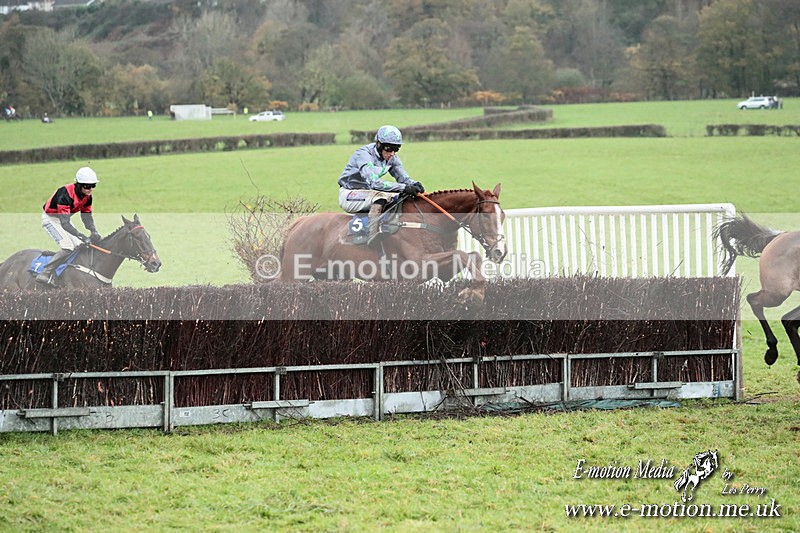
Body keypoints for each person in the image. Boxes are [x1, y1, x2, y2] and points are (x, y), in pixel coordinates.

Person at [337, 125, 424, 245]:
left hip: (368, 193)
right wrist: (404, 188)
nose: (392, 153)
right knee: (380, 197)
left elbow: (403, 178)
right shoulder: (364, 155)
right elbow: (374, 183)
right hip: (349, 194)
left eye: (396, 149)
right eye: (389, 148)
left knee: (399, 197)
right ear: (379, 144)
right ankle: (373, 236)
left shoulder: (392, 158)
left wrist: (414, 184)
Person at [36, 167, 103, 286]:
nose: (90, 189)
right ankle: (45, 273)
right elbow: (65, 224)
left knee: (79, 246)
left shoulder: (87, 197)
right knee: (67, 247)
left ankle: (67, 269)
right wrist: (81, 235)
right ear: (79, 185)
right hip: (51, 219)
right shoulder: (65, 194)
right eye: (87, 186)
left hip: (64, 219)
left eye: (93, 185)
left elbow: (87, 217)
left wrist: (94, 231)